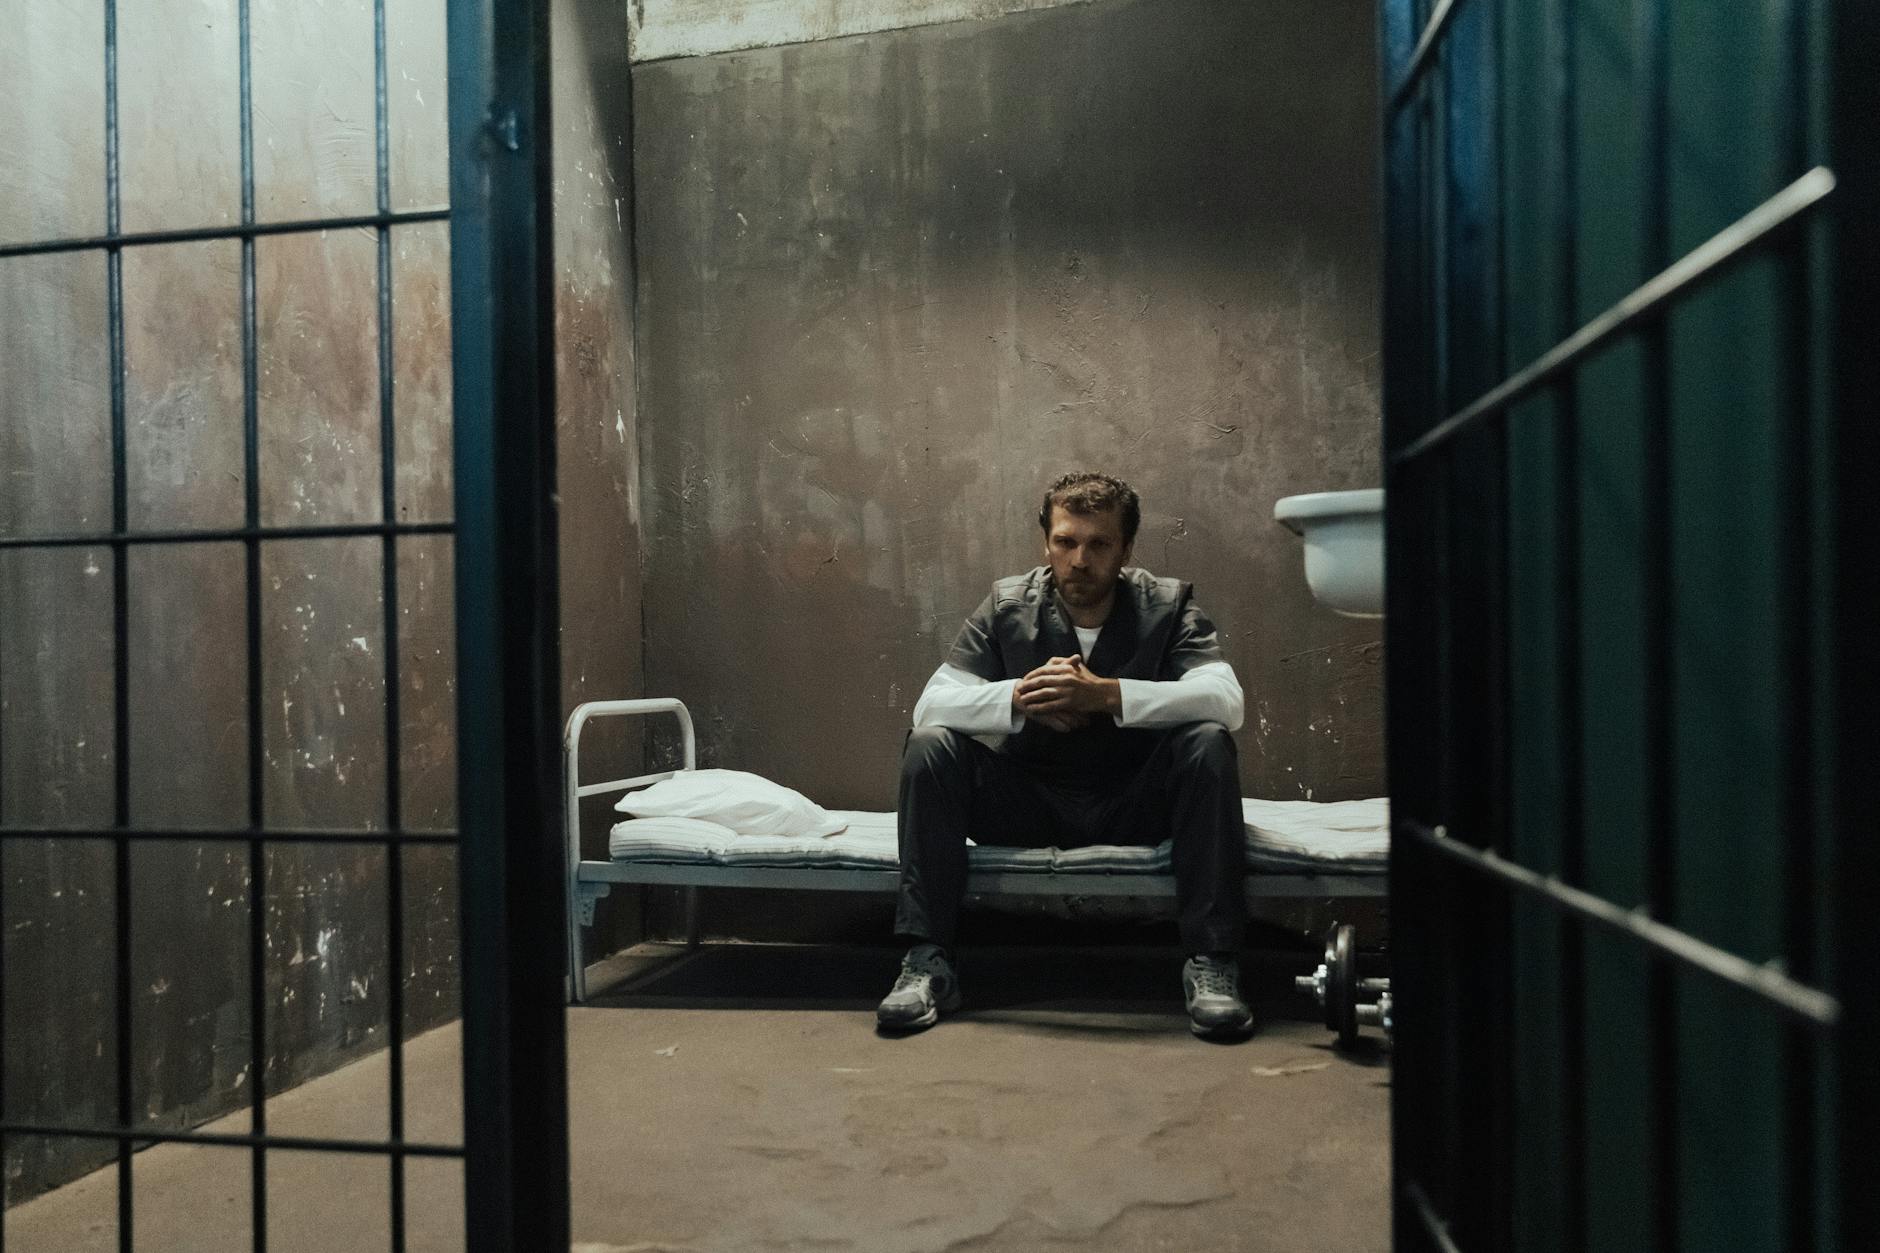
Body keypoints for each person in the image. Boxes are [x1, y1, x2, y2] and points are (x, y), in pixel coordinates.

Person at [877, 471, 1253, 1039]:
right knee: (931, 747)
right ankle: (927, 963)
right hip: (1030, 803)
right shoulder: (1008, 605)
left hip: (1133, 803)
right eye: (1065, 542)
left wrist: (1104, 695)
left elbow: (1227, 701)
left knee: (1207, 742)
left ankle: (1213, 962)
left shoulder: (1168, 605)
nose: (1080, 559)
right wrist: (1023, 699)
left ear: (1125, 550)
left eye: (1099, 544)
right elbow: (930, 708)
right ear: (1046, 543)